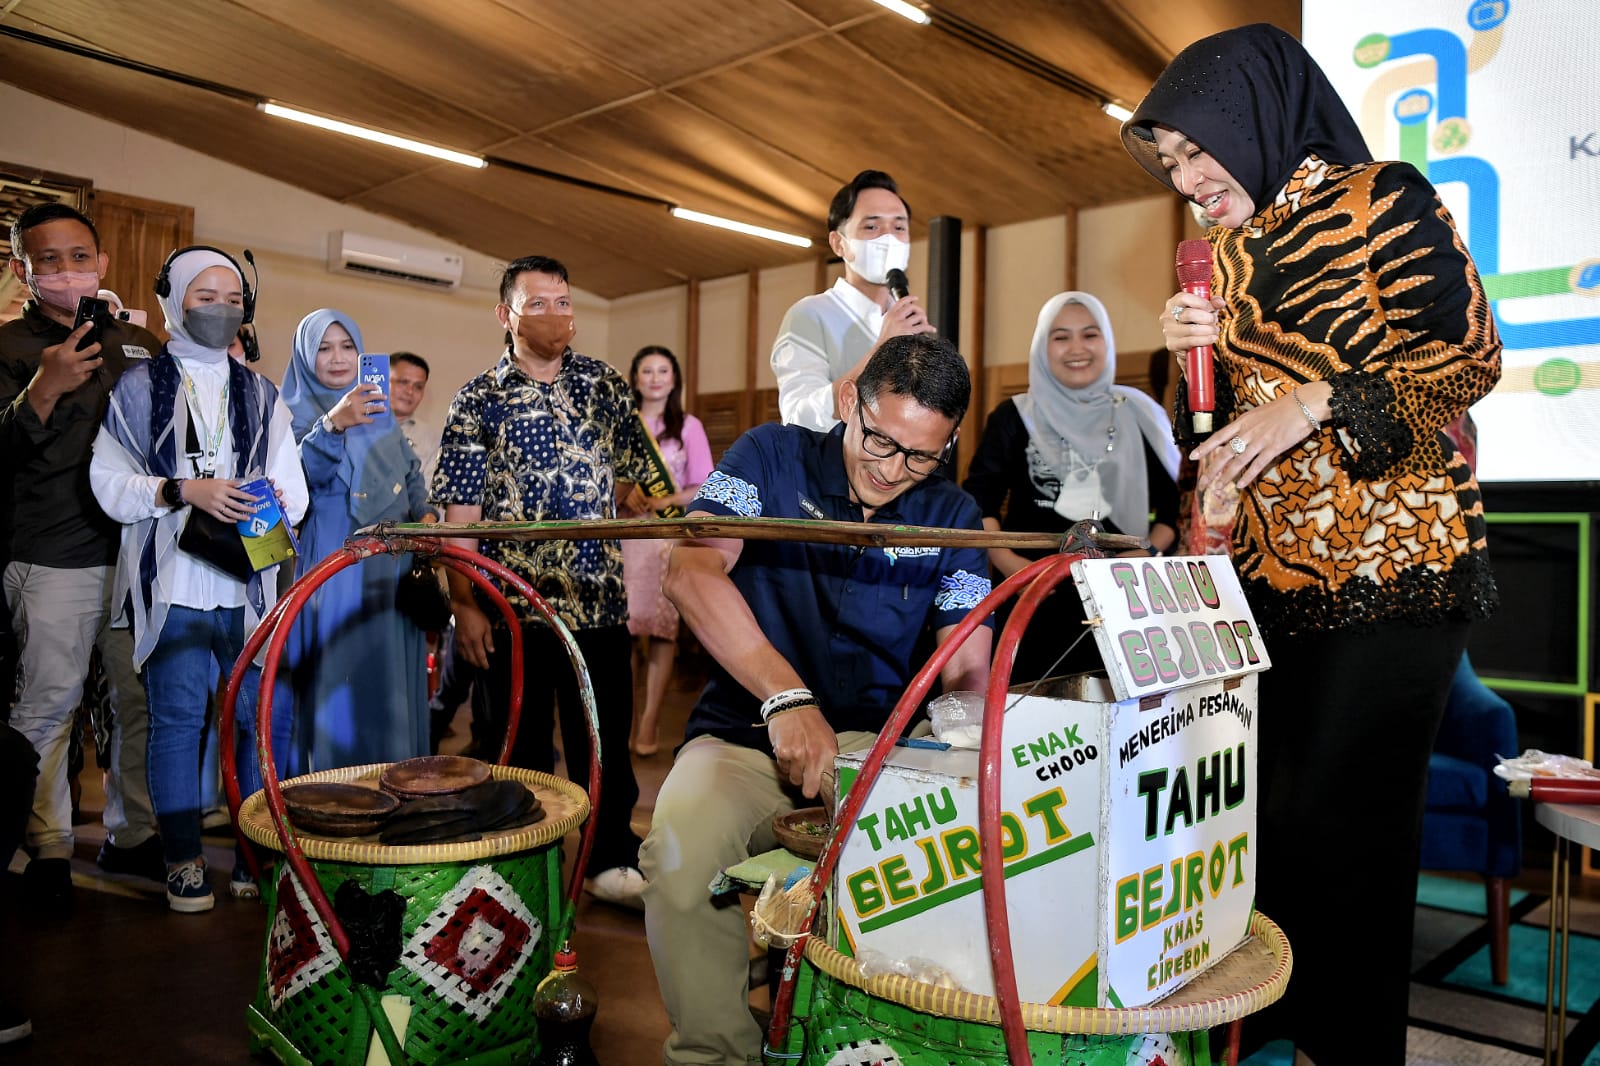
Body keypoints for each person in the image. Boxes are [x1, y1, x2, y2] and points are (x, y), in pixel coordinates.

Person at [1121, 24, 1501, 1065]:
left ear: (1258, 120)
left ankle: (1354, 1045)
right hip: (1273, 579)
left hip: (1398, 568)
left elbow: (1466, 358)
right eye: (1172, 167)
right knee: (1271, 835)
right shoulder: (1226, 259)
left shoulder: (1387, 197)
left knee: (1347, 837)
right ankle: (1273, 1030)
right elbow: (1217, 441)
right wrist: (1188, 371)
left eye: (1200, 151)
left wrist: (1314, 401)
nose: (1189, 180)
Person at [641, 333, 994, 1065]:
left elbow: (966, 665)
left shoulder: (953, 515)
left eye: (921, 455)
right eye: (880, 439)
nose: (893, 469)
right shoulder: (769, 457)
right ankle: (715, 1054)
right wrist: (786, 697)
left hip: (877, 759)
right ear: (848, 402)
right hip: (745, 733)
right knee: (679, 852)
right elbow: (693, 569)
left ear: (950, 443)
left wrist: (957, 739)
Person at [89, 246, 308, 912]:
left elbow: (293, 493)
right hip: (173, 583)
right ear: (171, 302)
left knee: (253, 719)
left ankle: (250, 854)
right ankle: (183, 858)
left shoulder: (262, 394)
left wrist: (254, 496)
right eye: (204, 296)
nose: (222, 309)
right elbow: (107, 484)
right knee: (178, 721)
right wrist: (184, 489)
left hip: (247, 584)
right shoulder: (136, 387)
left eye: (233, 298)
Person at [433, 254, 651, 909]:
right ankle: (522, 861)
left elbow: (646, 478)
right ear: (505, 315)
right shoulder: (478, 398)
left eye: (564, 302)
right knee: (518, 742)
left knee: (604, 738)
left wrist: (687, 503)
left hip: (599, 603)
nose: (557, 315)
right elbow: (459, 519)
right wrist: (465, 606)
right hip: (513, 608)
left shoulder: (604, 385)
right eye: (539, 303)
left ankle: (608, 854)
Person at [0, 203, 166, 912]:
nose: (67, 272)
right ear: (21, 270)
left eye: (80, 257)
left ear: (101, 263)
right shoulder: (10, 347)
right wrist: (44, 388)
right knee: (48, 708)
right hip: (51, 555)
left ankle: (134, 833)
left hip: (138, 558)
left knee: (139, 705)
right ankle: (49, 850)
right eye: (49, 261)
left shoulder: (138, 344)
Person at [963, 291, 1179, 682]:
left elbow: (1171, 513)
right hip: (1031, 599)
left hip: (1122, 602)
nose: (1076, 348)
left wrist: (1135, 561)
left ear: (1107, 342)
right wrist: (1018, 573)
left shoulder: (1139, 413)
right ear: (1042, 346)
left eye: (1090, 335)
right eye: (1061, 336)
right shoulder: (1014, 416)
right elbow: (980, 506)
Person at [283, 309, 433, 772]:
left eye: (347, 346)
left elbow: (409, 473)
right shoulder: (292, 413)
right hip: (333, 560)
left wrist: (425, 513)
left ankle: (394, 782)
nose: (337, 358)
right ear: (307, 356)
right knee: (336, 673)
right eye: (324, 348)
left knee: (385, 674)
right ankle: (331, 787)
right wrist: (332, 423)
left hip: (390, 564)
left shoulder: (381, 411)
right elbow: (297, 482)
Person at [771, 169, 935, 430]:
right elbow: (799, 417)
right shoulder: (809, 315)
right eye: (872, 226)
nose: (888, 238)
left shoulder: (908, 322)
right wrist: (883, 349)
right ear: (839, 244)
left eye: (899, 227)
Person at [618, 345, 713, 757]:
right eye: (646, 371)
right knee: (622, 633)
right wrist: (627, 491)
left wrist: (663, 499)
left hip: (665, 538)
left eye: (663, 371)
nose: (655, 378)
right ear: (635, 378)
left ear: (674, 379)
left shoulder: (687, 426)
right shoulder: (622, 423)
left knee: (660, 633)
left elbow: (704, 483)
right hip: (622, 538)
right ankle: (621, 718)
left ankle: (650, 721)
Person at [389, 351, 441, 479]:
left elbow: (427, 492)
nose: (410, 391)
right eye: (402, 382)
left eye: (418, 386)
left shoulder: (430, 439)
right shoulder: (354, 425)